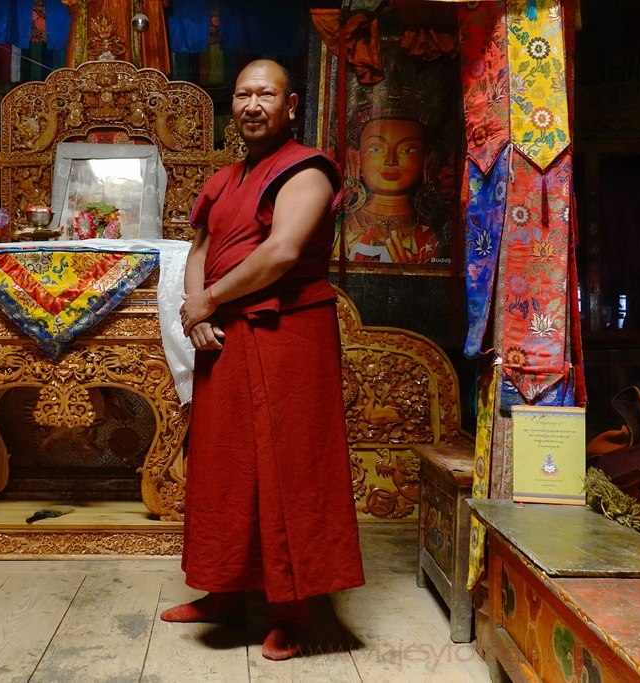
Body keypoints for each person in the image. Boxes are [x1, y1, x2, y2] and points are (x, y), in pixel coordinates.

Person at [162, 59, 365, 660]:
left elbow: (280, 254)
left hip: (287, 335)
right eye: (244, 94)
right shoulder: (224, 179)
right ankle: (223, 590)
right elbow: (198, 247)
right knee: (222, 463)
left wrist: (208, 303)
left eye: (266, 95)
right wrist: (199, 310)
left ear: (291, 104)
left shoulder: (307, 170)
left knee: (290, 465)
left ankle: (292, 608)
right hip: (223, 335)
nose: (253, 104)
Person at [339, 115, 446, 263]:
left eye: (407, 150)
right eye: (376, 149)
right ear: (355, 156)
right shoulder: (339, 228)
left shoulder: (435, 234)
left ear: (427, 159)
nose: (390, 160)